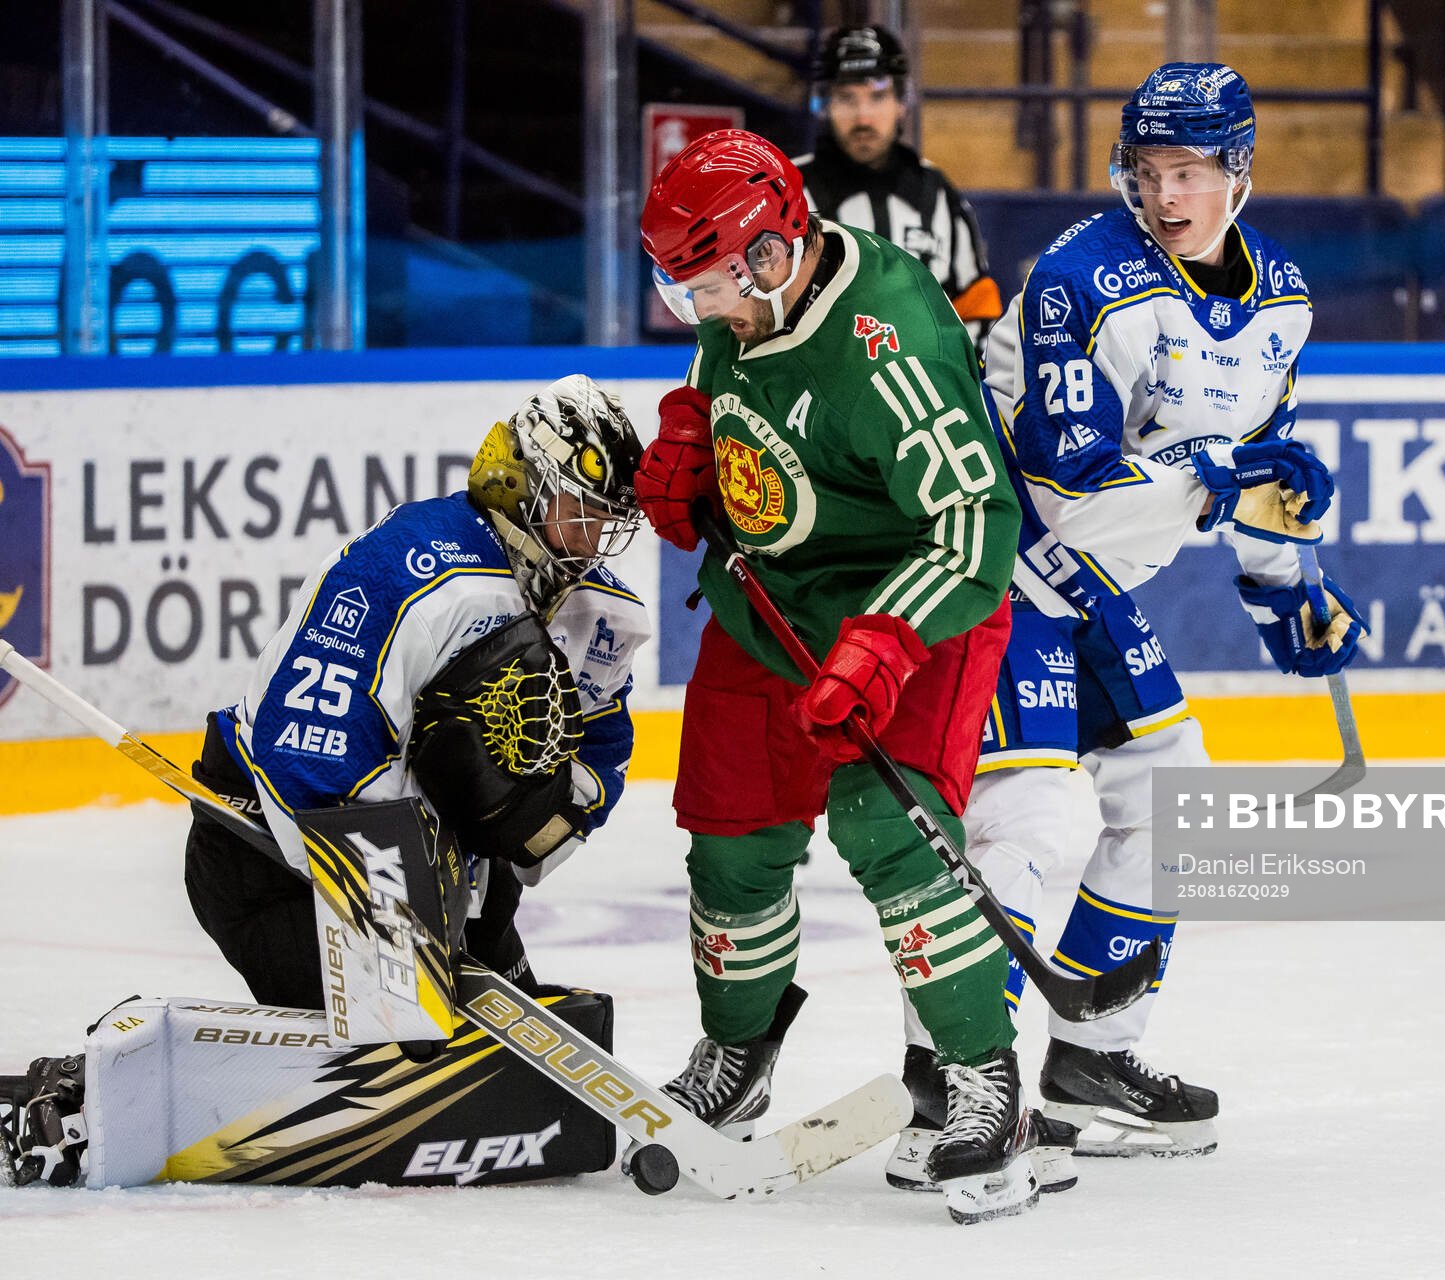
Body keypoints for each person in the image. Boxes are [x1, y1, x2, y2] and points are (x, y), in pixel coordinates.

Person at [888, 62, 1368, 1175]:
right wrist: (1223, 475)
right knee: (1033, 816)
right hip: (993, 561)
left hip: (1088, 584)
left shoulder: (1282, 300)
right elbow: (1067, 486)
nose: (1166, 195)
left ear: (1239, 172)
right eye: (1148, 170)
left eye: (1191, 171)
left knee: (1174, 794)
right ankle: (954, 1085)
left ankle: (1093, 1053)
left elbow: (1261, 475)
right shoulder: (1081, 277)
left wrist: (1289, 587)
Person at [636, 128, 1045, 1224]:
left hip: (914, 612)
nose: (701, 310)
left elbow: (976, 526)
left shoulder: (890, 342)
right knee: (728, 832)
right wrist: (692, 430)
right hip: (769, 607)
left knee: (888, 829)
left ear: (773, 256)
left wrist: (880, 642)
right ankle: (738, 1051)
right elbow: (725, 373)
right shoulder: (750, 292)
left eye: (708, 286)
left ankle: (984, 1082)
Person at [182, 373, 650, 1009]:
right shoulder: (411, 565)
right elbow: (307, 745)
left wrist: (533, 818)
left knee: (491, 1062)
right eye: (578, 515)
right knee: (411, 1048)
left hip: (440, 863)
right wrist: (406, 918)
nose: (592, 545)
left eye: (606, 524)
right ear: (523, 483)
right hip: (275, 855)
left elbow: (601, 746)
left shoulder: (599, 612)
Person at [795, 24, 1003, 346]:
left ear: (901, 102)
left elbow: (976, 306)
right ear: (825, 104)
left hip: (927, 391)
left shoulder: (936, 193)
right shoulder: (788, 191)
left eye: (878, 97)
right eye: (847, 98)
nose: (863, 117)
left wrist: (955, 377)